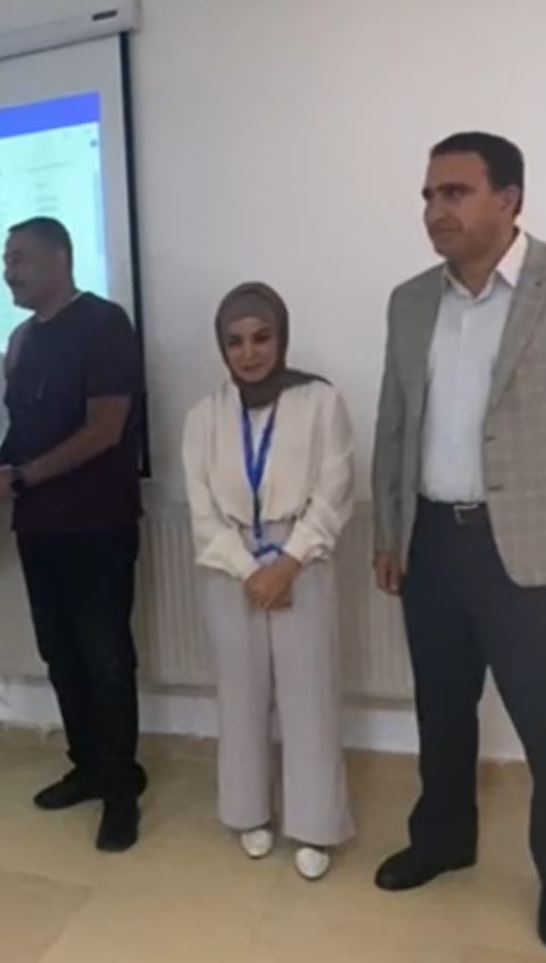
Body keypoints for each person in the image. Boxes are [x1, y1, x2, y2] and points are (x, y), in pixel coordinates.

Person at [372, 132, 546, 951]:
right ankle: (443, 838)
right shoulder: (411, 300)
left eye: (454, 192)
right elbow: (394, 422)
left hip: (537, 550)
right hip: (434, 544)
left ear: (510, 199)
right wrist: (390, 529)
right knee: (443, 708)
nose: (434, 210)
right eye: (428, 195)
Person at [0, 217, 145, 853]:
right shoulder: (20, 340)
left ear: (61, 258)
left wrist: (21, 477)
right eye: (4, 260)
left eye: (18, 259)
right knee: (60, 656)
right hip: (38, 528)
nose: (8, 272)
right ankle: (89, 768)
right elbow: (17, 431)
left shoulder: (104, 324)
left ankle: (122, 792)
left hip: (98, 525)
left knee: (107, 659)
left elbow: (105, 428)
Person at [182, 283, 355, 880]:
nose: (249, 353)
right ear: (221, 347)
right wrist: (250, 570)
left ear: (282, 337)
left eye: (262, 338)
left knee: (310, 696)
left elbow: (334, 492)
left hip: (303, 560)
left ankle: (314, 824)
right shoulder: (203, 417)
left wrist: (287, 564)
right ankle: (248, 810)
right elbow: (202, 512)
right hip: (230, 566)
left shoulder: (320, 401)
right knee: (240, 696)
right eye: (235, 342)